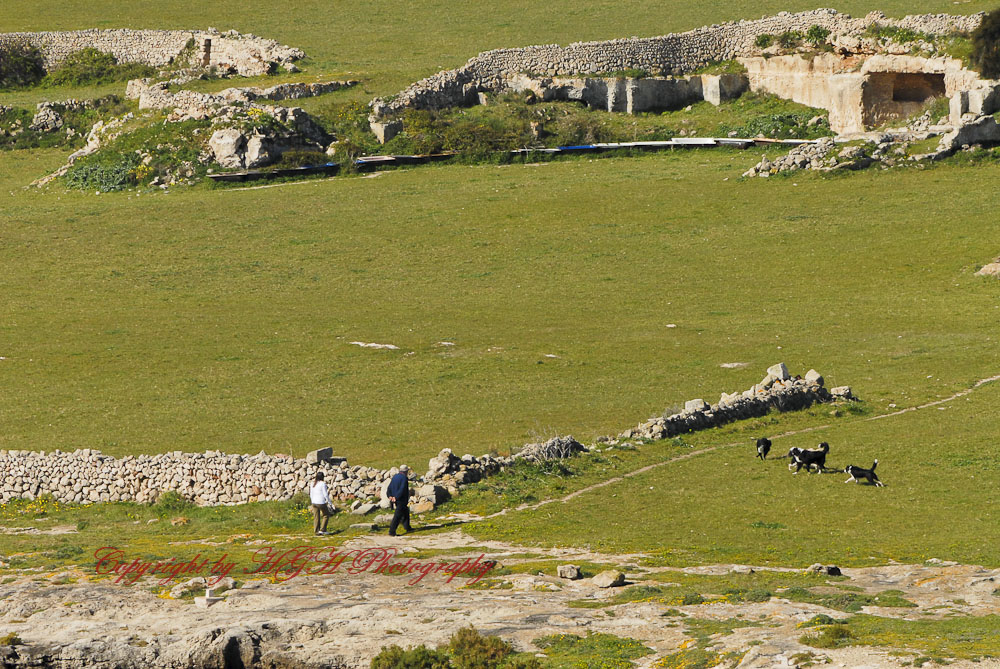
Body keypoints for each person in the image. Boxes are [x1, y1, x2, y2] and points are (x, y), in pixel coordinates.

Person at [387, 464, 412, 537]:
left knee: (405, 512)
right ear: (406, 471)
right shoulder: (404, 478)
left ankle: (407, 527)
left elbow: (390, 487)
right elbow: (402, 489)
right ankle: (392, 531)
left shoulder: (395, 477)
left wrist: (390, 495)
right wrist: (396, 497)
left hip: (395, 498)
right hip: (401, 499)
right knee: (397, 516)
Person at [310, 471, 333, 536]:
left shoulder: (312, 484)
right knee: (326, 515)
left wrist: (312, 501)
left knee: (316, 517)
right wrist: (329, 502)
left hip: (314, 502)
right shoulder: (323, 484)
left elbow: (311, 493)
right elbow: (325, 494)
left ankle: (316, 531)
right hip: (321, 502)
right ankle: (323, 529)